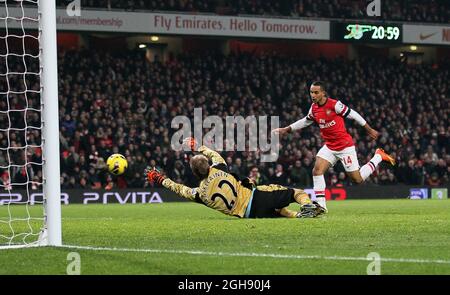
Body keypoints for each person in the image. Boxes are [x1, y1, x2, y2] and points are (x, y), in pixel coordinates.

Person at [272, 81, 396, 212]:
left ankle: (378, 156)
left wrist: (368, 129)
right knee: (317, 170)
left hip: (345, 147)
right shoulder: (314, 108)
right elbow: (305, 121)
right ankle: (321, 206)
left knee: (357, 179)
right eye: (311, 92)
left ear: (323, 93)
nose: (313, 95)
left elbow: (353, 114)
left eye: (316, 92)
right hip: (330, 147)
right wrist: (287, 129)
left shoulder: (335, 105)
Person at [145, 138, 325, 219]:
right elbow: (213, 154)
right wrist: (196, 146)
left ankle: (300, 216)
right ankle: (307, 206)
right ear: (208, 165)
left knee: (282, 212)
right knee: (295, 192)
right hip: (255, 198)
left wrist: (160, 179)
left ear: (194, 174)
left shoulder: (200, 193)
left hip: (248, 215)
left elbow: (179, 189)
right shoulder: (220, 167)